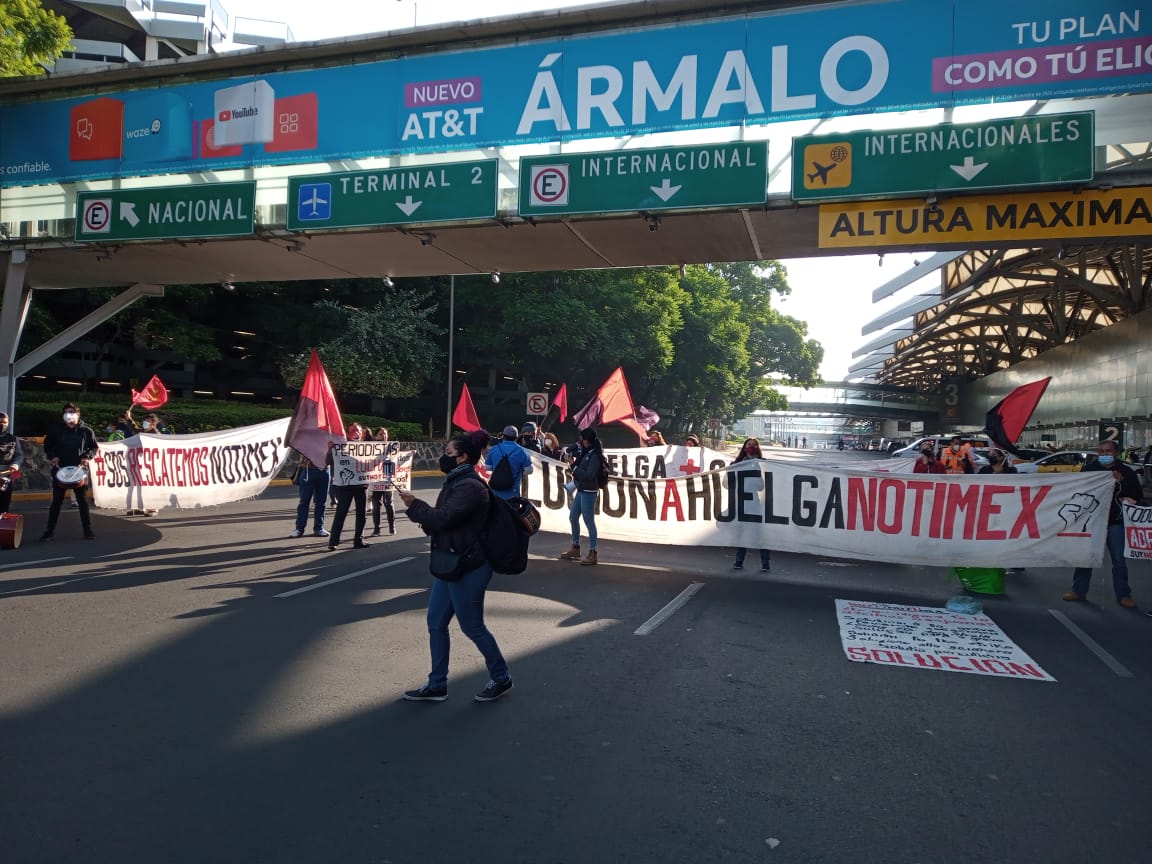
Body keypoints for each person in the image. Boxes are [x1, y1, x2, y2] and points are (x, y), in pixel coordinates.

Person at [399, 429, 513, 703]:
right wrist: (425, 516)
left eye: (449, 453)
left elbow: (443, 518)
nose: (444, 457)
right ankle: (437, 684)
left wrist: (415, 506)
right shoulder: (455, 482)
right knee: (435, 622)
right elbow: (445, 524)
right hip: (452, 562)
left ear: (462, 457)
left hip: (470, 566)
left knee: (472, 626)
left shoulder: (470, 487)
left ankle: (501, 677)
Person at [1064, 439, 1143, 608]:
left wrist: (1122, 482)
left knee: (1118, 560)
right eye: (1101, 452)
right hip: (1093, 521)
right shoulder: (1090, 470)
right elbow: (1079, 491)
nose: (1104, 455)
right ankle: (1079, 590)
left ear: (1115, 453)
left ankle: (1123, 594)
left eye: (1108, 451)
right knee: (1086, 557)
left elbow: (1137, 494)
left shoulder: (1126, 471)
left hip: (1115, 521)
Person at [41, 403, 98, 541]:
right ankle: (49, 531)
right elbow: (48, 445)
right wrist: (52, 456)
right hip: (61, 470)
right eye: (66, 412)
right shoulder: (56, 430)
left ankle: (87, 530)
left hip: (79, 470)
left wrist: (87, 457)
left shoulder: (86, 431)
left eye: (71, 412)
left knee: (82, 501)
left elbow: (94, 447)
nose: (68, 414)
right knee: (57, 502)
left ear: (78, 414)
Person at [559, 427, 604, 566]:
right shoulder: (587, 452)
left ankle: (593, 552)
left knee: (588, 521)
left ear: (587, 440)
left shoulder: (595, 455)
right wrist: (574, 466)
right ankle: (575, 547)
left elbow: (589, 475)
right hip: (582, 489)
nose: (581, 441)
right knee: (573, 517)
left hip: (589, 490)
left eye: (583, 439)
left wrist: (575, 468)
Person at [326, 422, 369, 551]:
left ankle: (358, 540)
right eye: (353, 430)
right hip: (345, 486)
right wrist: (330, 450)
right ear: (348, 433)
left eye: (358, 430)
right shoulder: (340, 447)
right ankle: (333, 541)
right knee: (341, 513)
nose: (356, 433)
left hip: (361, 485)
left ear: (362, 434)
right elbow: (328, 462)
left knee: (362, 514)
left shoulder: (367, 448)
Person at [731, 438, 771, 572]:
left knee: (760, 534)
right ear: (744, 448)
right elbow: (728, 483)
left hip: (755, 503)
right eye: (749, 445)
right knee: (740, 533)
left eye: (754, 445)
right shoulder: (736, 464)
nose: (752, 447)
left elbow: (761, 486)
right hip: (740, 503)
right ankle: (739, 561)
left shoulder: (762, 464)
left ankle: (765, 563)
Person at [484, 424, 533, 501]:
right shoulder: (522, 451)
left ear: (503, 435)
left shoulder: (494, 449)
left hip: (495, 494)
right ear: (516, 437)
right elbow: (530, 470)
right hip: (513, 495)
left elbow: (487, 467)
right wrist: (520, 471)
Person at [289, 454, 330, 539]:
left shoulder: (328, 440)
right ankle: (299, 529)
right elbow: (288, 443)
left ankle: (319, 528)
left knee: (321, 502)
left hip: (324, 470)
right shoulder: (305, 440)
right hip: (308, 469)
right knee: (304, 501)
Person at [370, 426, 396, 536]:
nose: (384, 436)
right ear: (376, 436)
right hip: (375, 479)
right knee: (376, 504)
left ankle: (392, 526)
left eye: (385, 433)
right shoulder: (370, 448)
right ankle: (377, 528)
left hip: (387, 479)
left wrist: (410, 454)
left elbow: (399, 457)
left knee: (389, 503)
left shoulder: (392, 446)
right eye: (381, 434)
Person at [0, 411, 24, 515]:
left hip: (6, 475)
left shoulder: (13, 439)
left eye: (4, 422)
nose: (2, 425)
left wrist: (15, 464)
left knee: (4, 503)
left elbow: (19, 455)